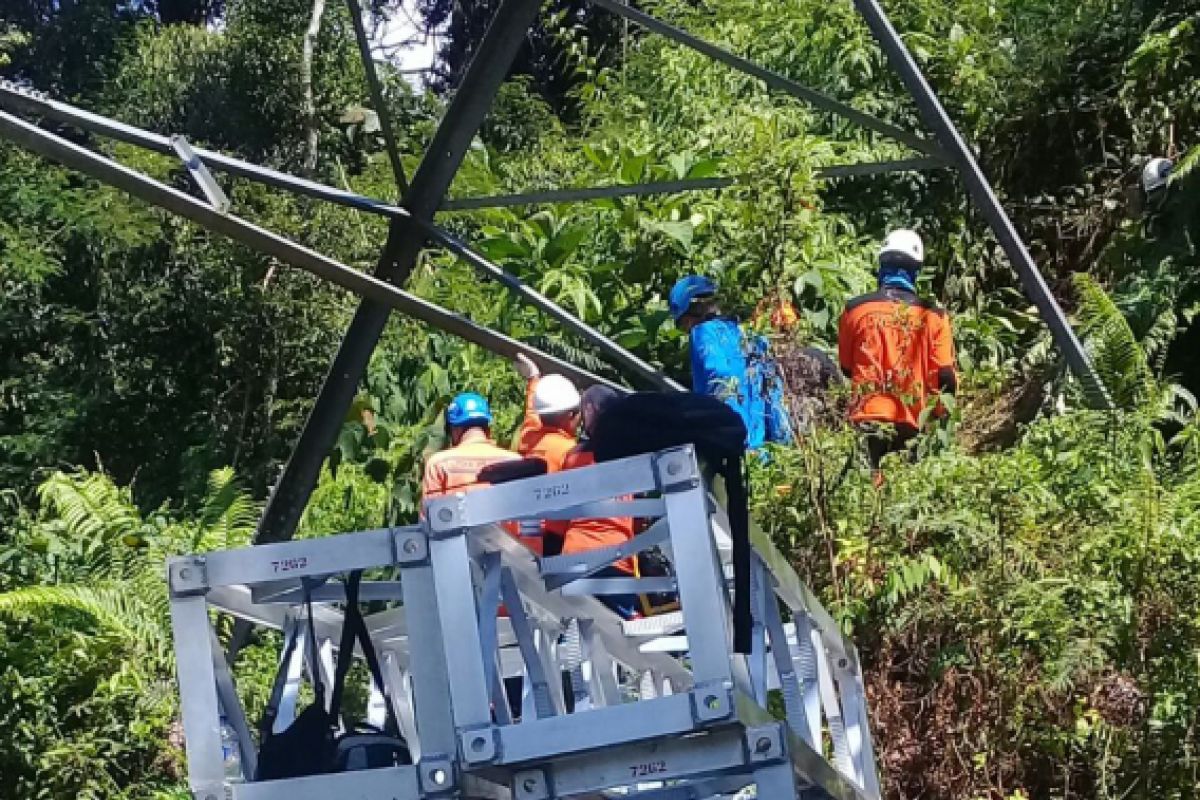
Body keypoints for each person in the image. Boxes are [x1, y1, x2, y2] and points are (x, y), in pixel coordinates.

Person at [837, 229, 957, 475]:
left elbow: (847, 367)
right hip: (912, 419)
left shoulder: (855, 309)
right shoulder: (934, 316)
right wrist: (936, 416)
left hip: (867, 415)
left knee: (867, 491)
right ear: (916, 271)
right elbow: (945, 376)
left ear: (881, 266)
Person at [547, 385, 640, 619]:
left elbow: (558, 521)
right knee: (621, 639)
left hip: (576, 556)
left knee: (575, 635)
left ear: (589, 410)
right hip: (617, 558)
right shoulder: (631, 454)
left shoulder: (574, 457)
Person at [668, 275, 792, 449]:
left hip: (734, 443)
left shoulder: (703, 333)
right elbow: (772, 390)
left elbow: (720, 380)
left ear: (691, 312)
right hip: (763, 448)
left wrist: (727, 437)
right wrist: (783, 441)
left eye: (683, 324)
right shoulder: (748, 333)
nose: (687, 329)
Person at [420, 391, 521, 501]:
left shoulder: (438, 464)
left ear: (455, 430)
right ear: (487, 428)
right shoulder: (515, 462)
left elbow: (430, 513)